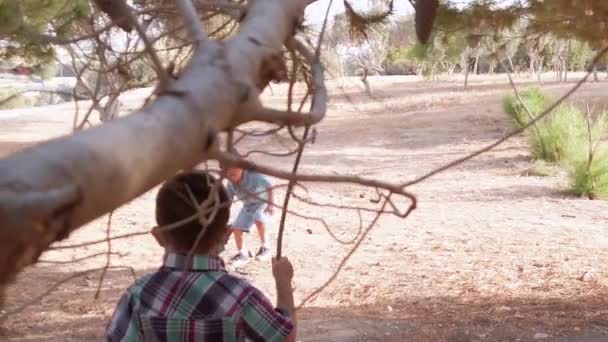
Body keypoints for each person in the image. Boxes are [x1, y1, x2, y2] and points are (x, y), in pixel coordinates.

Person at [106, 171, 296, 342]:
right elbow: (286, 338)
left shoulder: (138, 296)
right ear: (226, 233)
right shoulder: (244, 296)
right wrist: (283, 283)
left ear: (158, 236)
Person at [224, 167, 275, 266]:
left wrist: (270, 203)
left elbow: (269, 186)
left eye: (234, 171)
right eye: (229, 173)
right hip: (248, 205)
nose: (231, 173)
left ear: (242, 169)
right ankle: (243, 253)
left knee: (259, 219)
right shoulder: (230, 184)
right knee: (237, 228)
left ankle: (266, 248)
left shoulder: (254, 176)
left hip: (261, 202)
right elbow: (227, 202)